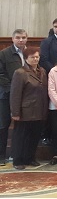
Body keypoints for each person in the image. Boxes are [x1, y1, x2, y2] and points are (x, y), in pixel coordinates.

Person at [9, 47, 47, 170]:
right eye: (32, 57)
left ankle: (30, 157)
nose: (35, 59)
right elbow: (15, 94)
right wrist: (15, 112)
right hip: (25, 111)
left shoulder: (42, 71)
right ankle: (18, 160)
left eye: (37, 57)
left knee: (34, 136)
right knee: (21, 136)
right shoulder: (20, 72)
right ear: (26, 58)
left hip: (39, 109)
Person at [0, 28, 27, 166]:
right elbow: (1, 75)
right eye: (18, 37)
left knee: (21, 126)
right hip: (6, 95)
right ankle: (1, 156)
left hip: (25, 96)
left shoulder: (30, 53)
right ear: (13, 39)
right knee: (3, 125)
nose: (21, 40)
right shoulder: (4, 54)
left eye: (23, 37)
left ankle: (18, 155)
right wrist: (13, 89)